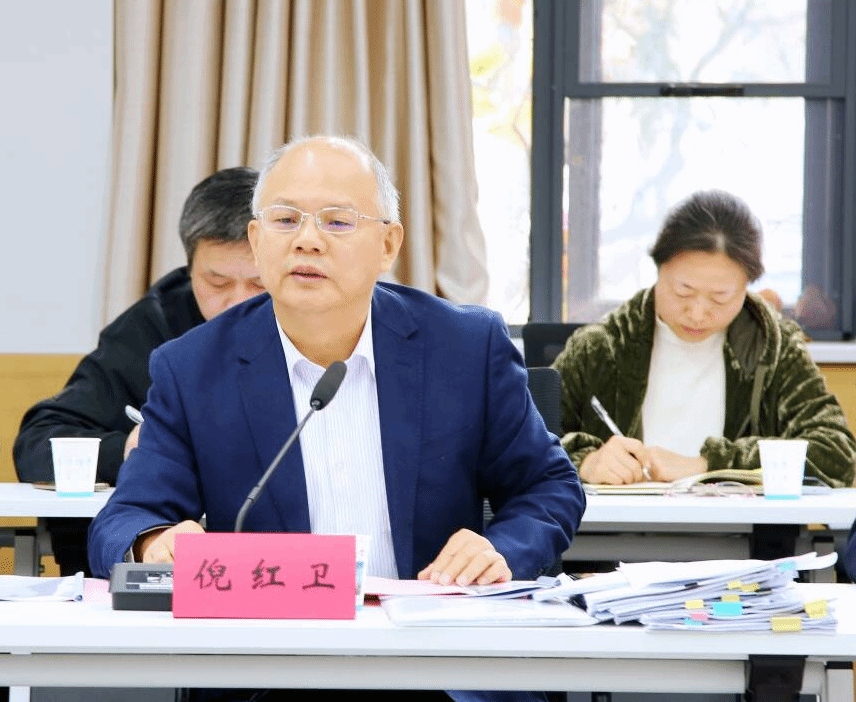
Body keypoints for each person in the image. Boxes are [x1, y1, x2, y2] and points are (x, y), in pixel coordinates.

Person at [88, 135, 585, 702]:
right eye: (284, 220)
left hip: (439, 662)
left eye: (338, 222)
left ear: (388, 243)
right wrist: (154, 542)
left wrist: (501, 551)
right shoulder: (192, 367)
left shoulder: (465, 346)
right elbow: (125, 517)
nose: (307, 240)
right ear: (257, 239)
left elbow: (548, 486)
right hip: (272, 671)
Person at [13, 167, 262, 575]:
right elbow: (38, 444)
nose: (238, 303)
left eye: (259, 284)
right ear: (189, 269)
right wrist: (134, 449)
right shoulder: (154, 325)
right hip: (168, 561)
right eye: (217, 283)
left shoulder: (314, 323)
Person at [552, 189, 856, 489]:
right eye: (683, 291)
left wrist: (708, 465)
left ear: (747, 287)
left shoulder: (770, 346)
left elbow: (837, 453)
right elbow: (530, 444)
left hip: (739, 522)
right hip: (621, 522)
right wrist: (586, 461)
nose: (697, 314)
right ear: (659, 269)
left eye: (720, 298)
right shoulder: (601, 347)